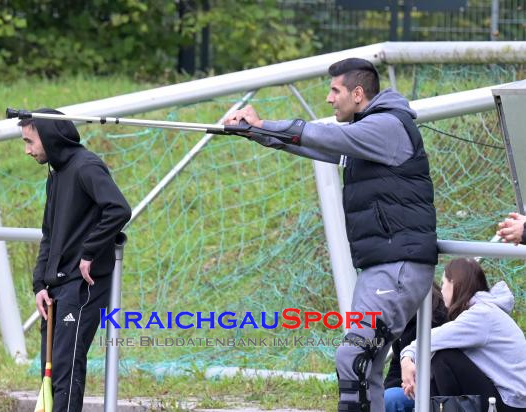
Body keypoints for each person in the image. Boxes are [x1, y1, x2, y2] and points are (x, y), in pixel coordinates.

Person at [225, 57, 438, 412]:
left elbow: (326, 135)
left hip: (397, 267)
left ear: (357, 93)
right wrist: (258, 133)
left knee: (353, 357)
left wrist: (263, 122)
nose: (328, 98)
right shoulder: (367, 132)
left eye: (334, 90)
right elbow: (318, 145)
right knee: (364, 370)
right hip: (381, 267)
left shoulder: (385, 127)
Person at [20, 109, 132, 412]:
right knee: (53, 370)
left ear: (49, 137)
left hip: (82, 286)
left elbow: (118, 209)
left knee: (67, 371)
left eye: (30, 141)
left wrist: (89, 252)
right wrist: (39, 284)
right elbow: (49, 233)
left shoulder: (87, 167)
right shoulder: (56, 174)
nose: (27, 150)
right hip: (55, 289)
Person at [400, 258, 526, 412]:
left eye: (444, 281)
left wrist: (407, 358)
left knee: (443, 357)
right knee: (437, 356)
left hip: (511, 403)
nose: (442, 289)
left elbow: (432, 339)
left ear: (454, 283)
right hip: (509, 398)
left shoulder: (482, 315)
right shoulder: (484, 312)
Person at [383, 283, 448, 412]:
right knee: (379, 397)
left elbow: (442, 365)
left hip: (435, 390)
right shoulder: (402, 322)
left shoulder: (438, 319)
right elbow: (396, 365)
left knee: (390, 399)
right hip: (410, 387)